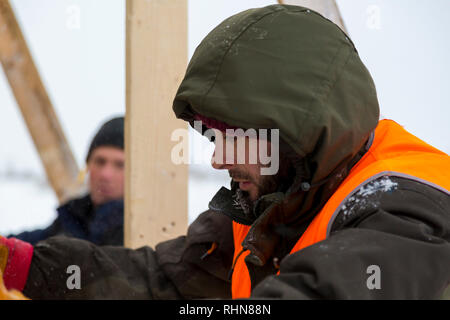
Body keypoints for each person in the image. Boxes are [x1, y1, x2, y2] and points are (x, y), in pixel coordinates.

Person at [0, 4, 449, 299]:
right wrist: (23, 265)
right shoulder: (270, 203)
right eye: (215, 139)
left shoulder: (407, 206)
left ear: (295, 131)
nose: (218, 159)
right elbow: (162, 283)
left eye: (234, 137)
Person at [7, 116, 125, 246]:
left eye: (120, 165)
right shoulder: (73, 219)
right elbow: (27, 246)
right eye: (99, 161)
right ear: (87, 166)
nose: (105, 174)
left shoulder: (141, 234)